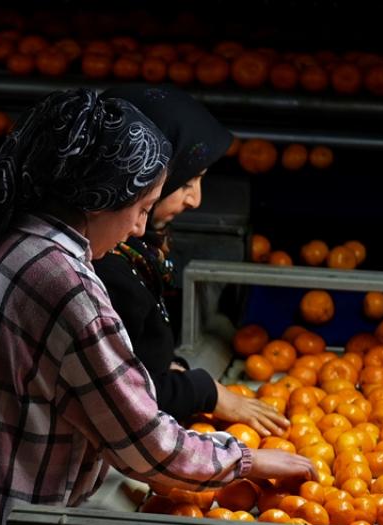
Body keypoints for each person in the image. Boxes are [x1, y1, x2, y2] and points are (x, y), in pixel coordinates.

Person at [0, 90, 316, 525]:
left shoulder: (15, 238)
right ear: (100, 195)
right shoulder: (67, 287)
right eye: (140, 207)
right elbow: (145, 445)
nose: (137, 229)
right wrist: (248, 460)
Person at [95, 84, 287, 436]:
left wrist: (175, 370)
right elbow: (123, 397)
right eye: (187, 182)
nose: (196, 200)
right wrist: (207, 393)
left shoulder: (136, 255)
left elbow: (139, 361)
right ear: (143, 177)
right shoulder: (106, 270)